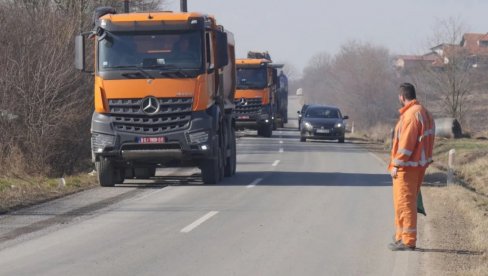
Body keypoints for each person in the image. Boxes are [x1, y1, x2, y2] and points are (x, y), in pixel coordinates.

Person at [388, 83, 435, 251]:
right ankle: (401, 237)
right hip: (417, 165)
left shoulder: (410, 115)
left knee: (405, 203)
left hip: (407, 167)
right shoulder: (424, 112)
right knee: (404, 203)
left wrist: (396, 164)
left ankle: (408, 240)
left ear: (402, 97)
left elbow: (406, 145)